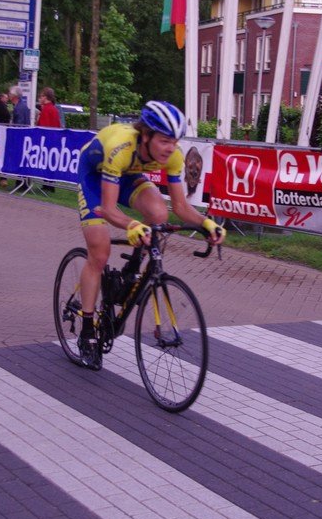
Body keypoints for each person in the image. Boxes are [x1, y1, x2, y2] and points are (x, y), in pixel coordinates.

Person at [73, 101, 225, 369]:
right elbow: (108, 209)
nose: (170, 148)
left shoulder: (174, 155)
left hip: (127, 175)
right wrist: (132, 225)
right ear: (145, 135)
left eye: (174, 141)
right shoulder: (120, 147)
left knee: (159, 214)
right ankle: (87, 333)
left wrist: (206, 223)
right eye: (164, 140)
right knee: (100, 252)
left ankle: (133, 268)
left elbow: (180, 207)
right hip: (95, 175)